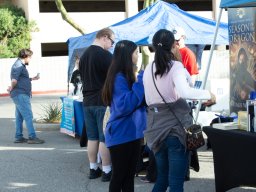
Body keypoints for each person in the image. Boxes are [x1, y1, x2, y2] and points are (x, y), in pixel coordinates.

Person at [143, 29, 216, 192]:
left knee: (162, 178)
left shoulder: (148, 68)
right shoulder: (175, 66)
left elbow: (148, 99)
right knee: (176, 182)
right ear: (174, 45)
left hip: (155, 128)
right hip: (175, 130)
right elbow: (186, 93)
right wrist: (208, 94)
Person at [102, 40, 146, 192]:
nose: (138, 55)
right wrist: (141, 80)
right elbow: (125, 105)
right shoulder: (119, 77)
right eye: (135, 52)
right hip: (121, 134)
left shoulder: (124, 75)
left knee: (128, 177)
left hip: (130, 134)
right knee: (119, 177)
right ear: (127, 55)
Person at [79, 28, 114, 182]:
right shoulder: (105, 56)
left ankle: (93, 169)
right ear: (105, 37)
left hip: (87, 102)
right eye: (112, 41)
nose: (112, 45)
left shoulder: (84, 55)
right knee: (104, 138)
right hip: (102, 102)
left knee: (92, 138)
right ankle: (107, 171)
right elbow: (115, 77)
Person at [7, 48, 45, 144]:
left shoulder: (20, 65)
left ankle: (18, 137)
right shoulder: (18, 65)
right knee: (28, 115)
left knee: (19, 117)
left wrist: (33, 78)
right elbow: (14, 80)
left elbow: (21, 79)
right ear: (25, 56)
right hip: (21, 94)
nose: (30, 59)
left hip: (20, 94)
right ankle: (32, 137)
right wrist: (11, 88)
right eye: (30, 57)